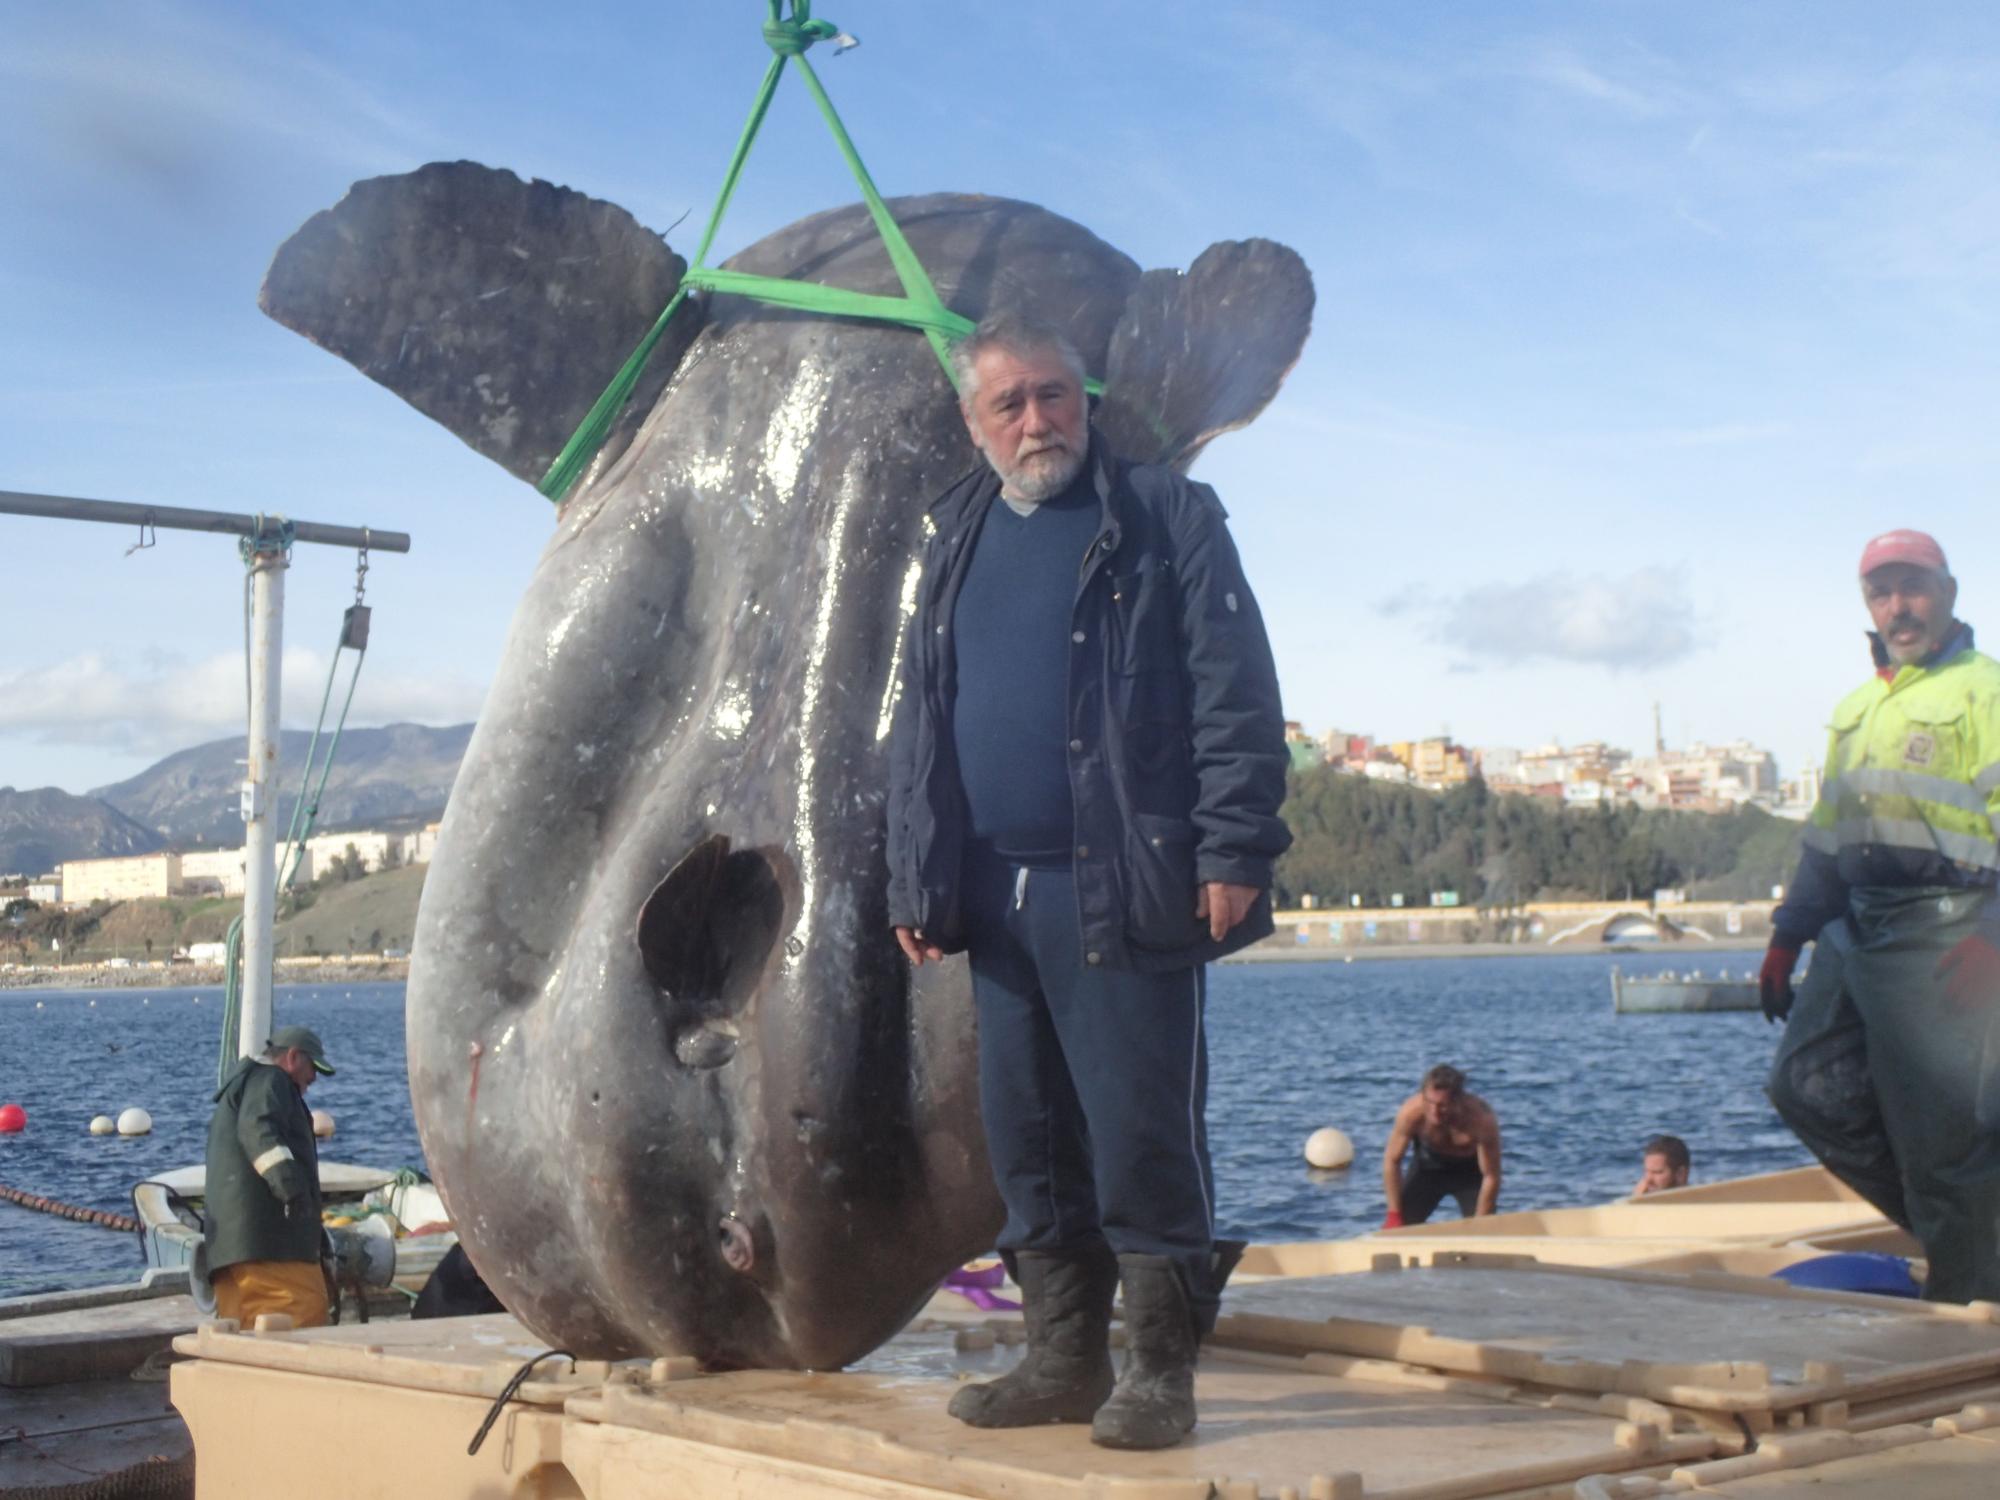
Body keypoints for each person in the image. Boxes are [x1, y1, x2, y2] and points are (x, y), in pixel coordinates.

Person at [886, 311, 1289, 1451]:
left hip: (1126, 880)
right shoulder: (953, 532)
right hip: (994, 893)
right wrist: (916, 877)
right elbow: (921, 716)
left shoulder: (1162, 515)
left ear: (1087, 401)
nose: (1033, 420)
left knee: (1138, 1132)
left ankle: (1158, 1372)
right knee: (1029, 1141)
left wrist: (1233, 849)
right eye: (1007, 403)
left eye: (1051, 395)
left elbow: (1235, 688)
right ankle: (1062, 1358)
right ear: (974, 424)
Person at [1763, 529, 2000, 1304]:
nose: (1898, 606)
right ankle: (1963, 1234)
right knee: (1802, 1084)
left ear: (1949, 592)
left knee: (1949, 1145)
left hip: (1952, 923)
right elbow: (1828, 840)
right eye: (1881, 592)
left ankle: (1973, 1310)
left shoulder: (1983, 691)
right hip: (1858, 923)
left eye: (1913, 586)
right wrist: (1786, 937)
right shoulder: (1856, 709)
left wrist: (1992, 938)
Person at [203, 1025, 335, 1328]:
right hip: (271, 1246)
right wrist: (293, 1190)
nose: (313, 1078)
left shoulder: (241, 1086)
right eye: (312, 1067)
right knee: (304, 1317)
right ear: (292, 1057)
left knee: (243, 1329)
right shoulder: (271, 1080)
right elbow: (258, 1131)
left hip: (232, 1251)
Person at [1381, 1064, 1502, 1225]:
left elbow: (1491, 1176)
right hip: (1428, 1167)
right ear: (1422, 1096)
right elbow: (1391, 1161)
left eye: (1442, 1105)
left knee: (1484, 1230)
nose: (1434, 1111)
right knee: (1400, 1226)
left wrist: (1480, 1225)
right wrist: (1394, 1215)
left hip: (1470, 1174)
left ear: (1458, 1101)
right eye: (1429, 1102)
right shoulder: (1411, 1113)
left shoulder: (1481, 1120)